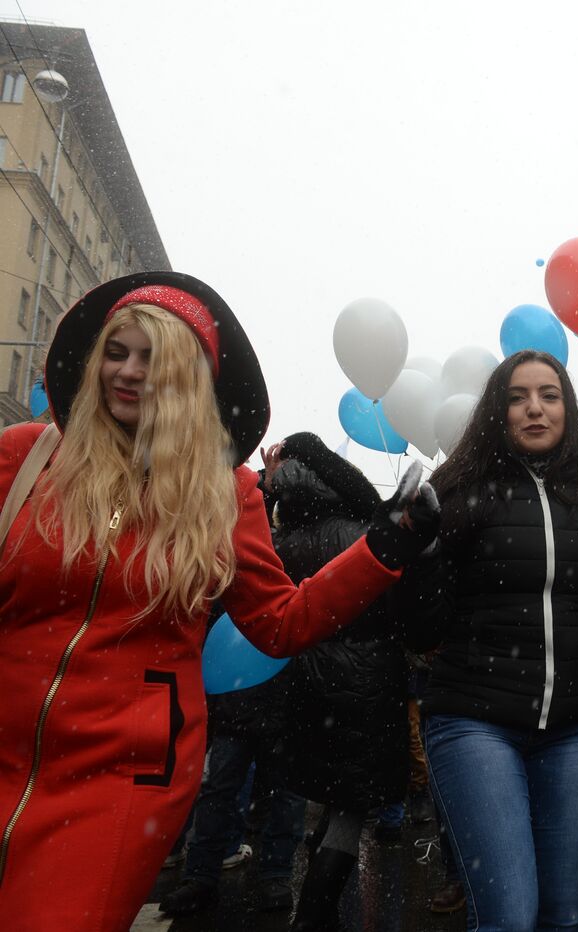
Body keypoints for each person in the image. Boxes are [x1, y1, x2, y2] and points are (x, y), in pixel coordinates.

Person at [0, 272, 438, 931]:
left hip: (123, 775)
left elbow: (282, 622)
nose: (127, 371)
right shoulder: (25, 458)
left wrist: (384, 547)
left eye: (152, 358)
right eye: (116, 352)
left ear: (188, 380)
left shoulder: (224, 493)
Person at [407, 350, 578, 931]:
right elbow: (421, 628)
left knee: (564, 913)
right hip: (474, 722)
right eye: (518, 397)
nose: (535, 408)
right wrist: (419, 551)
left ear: (567, 409)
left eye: (549, 395)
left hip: (574, 729)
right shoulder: (458, 491)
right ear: (498, 411)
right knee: (510, 916)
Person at [256, 431, 412, 932]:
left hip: (305, 682)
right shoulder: (366, 532)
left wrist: (267, 485)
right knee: (349, 806)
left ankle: (312, 904)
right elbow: (398, 612)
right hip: (369, 683)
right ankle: (314, 912)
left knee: (323, 793)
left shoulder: (279, 542)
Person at [157, 615, 303, 916]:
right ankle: (202, 876)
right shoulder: (237, 595)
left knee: (282, 795)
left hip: (279, 708)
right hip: (237, 709)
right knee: (220, 792)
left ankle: (274, 874)